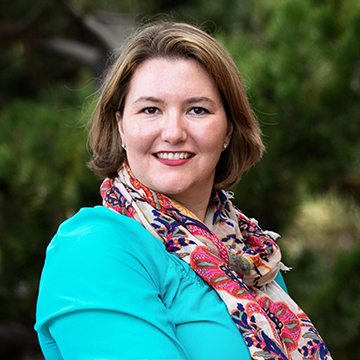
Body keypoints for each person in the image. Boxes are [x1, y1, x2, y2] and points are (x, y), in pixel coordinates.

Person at [35, 22, 332, 360]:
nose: (173, 132)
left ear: (228, 130)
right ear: (120, 125)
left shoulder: (252, 258)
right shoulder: (93, 248)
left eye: (197, 110)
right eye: (150, 109)